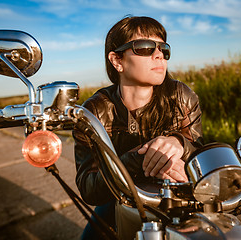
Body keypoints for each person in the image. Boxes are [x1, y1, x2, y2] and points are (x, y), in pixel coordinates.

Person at [73, 15, 204, 239]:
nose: (159, 54)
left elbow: (200, 153)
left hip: (178, 195)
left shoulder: (181, 96)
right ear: (117, 61)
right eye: (144, 47)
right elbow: (89, 188)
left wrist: (179, 143)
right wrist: (138, 159)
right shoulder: (94, 111)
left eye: (164, 48)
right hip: (120, 198)